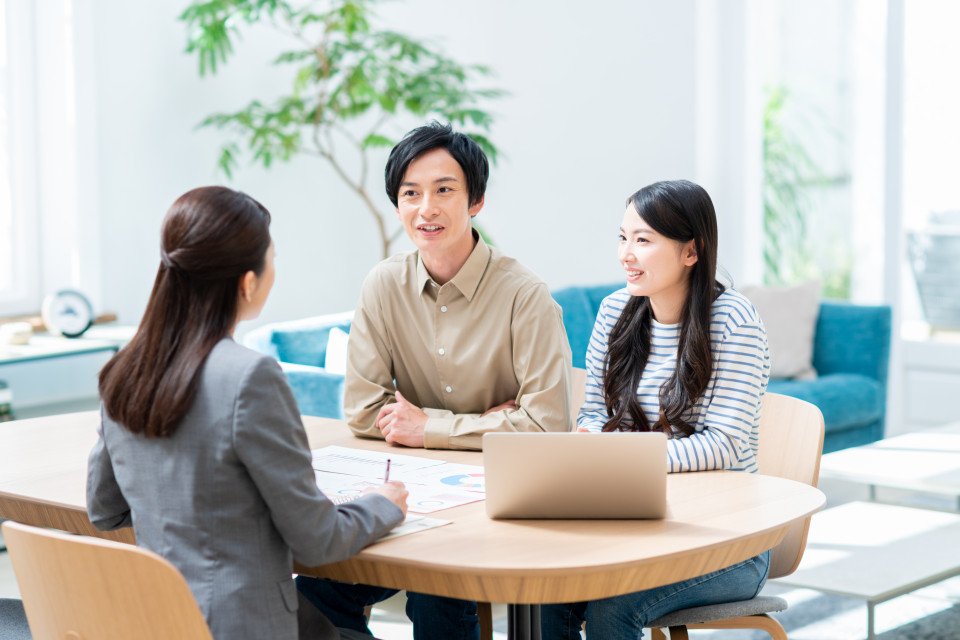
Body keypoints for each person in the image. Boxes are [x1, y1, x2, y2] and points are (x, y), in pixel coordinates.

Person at [86, 186, 408, 640]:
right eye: (271, 258)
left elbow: (105, 510)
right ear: (247, 281)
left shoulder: (124, 369)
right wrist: (383, 503)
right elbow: (317, 541)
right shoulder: (250, 376)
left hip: (163, 624)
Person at [296, 122, 573, 640]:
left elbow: (547, 427)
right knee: (312, 589)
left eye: (445, 190)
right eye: (410, 193)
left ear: (476, 201)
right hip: (418, 492)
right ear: (397, 204)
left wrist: (430, 428)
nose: (427, 208)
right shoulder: (384, 284)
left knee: (436, 587)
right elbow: (362, 409)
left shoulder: (525, 296)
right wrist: (487, 424)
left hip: (505, 499)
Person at [540, 180, 772, 639]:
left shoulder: (735, 323)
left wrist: (622, 457)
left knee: (612, 607)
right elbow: (592, 414)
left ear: (691, 251)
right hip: (636, 521)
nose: (626, 253)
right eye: (623, 238)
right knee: (550, 588)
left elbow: (724, 446)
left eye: (643, 240)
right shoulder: (615, 311)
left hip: (728, 540)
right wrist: (590, 440)